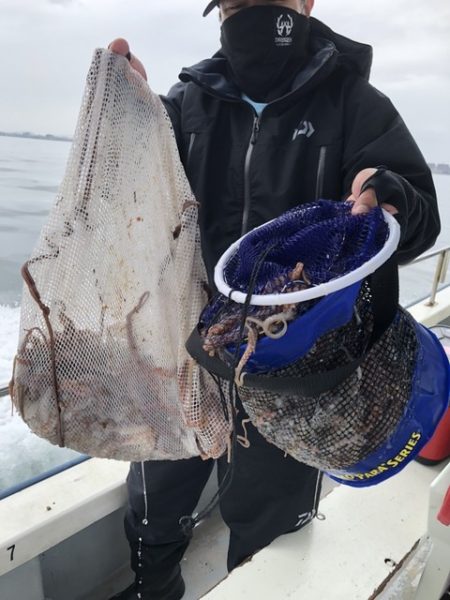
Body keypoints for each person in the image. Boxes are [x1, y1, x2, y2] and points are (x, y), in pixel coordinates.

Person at [109, 1, 441, 598]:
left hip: (296, 364)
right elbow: (132, 196)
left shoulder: (355, 105)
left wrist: (391, 197)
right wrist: (127, 120)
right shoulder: (185, 106)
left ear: (307, 3)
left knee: (269, 524)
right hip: (186, 351)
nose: (252, 11)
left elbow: (419, 217)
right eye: (236, 2)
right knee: (156, 500)